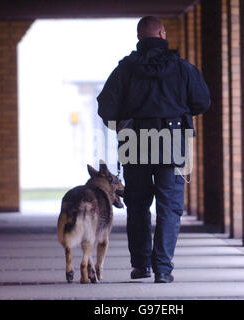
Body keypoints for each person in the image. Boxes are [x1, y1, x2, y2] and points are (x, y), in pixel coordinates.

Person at [97, 16, 210, 283]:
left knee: (137, 205)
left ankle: (141, 266)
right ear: (161, 33)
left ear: (139, 37)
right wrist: (179, 108)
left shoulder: (124, 69)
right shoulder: (183, 68)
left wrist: (124, 122)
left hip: (135, 141)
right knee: (170, 207)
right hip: (174, 142)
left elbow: (106, 107)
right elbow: (202, 102)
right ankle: (163, 269)